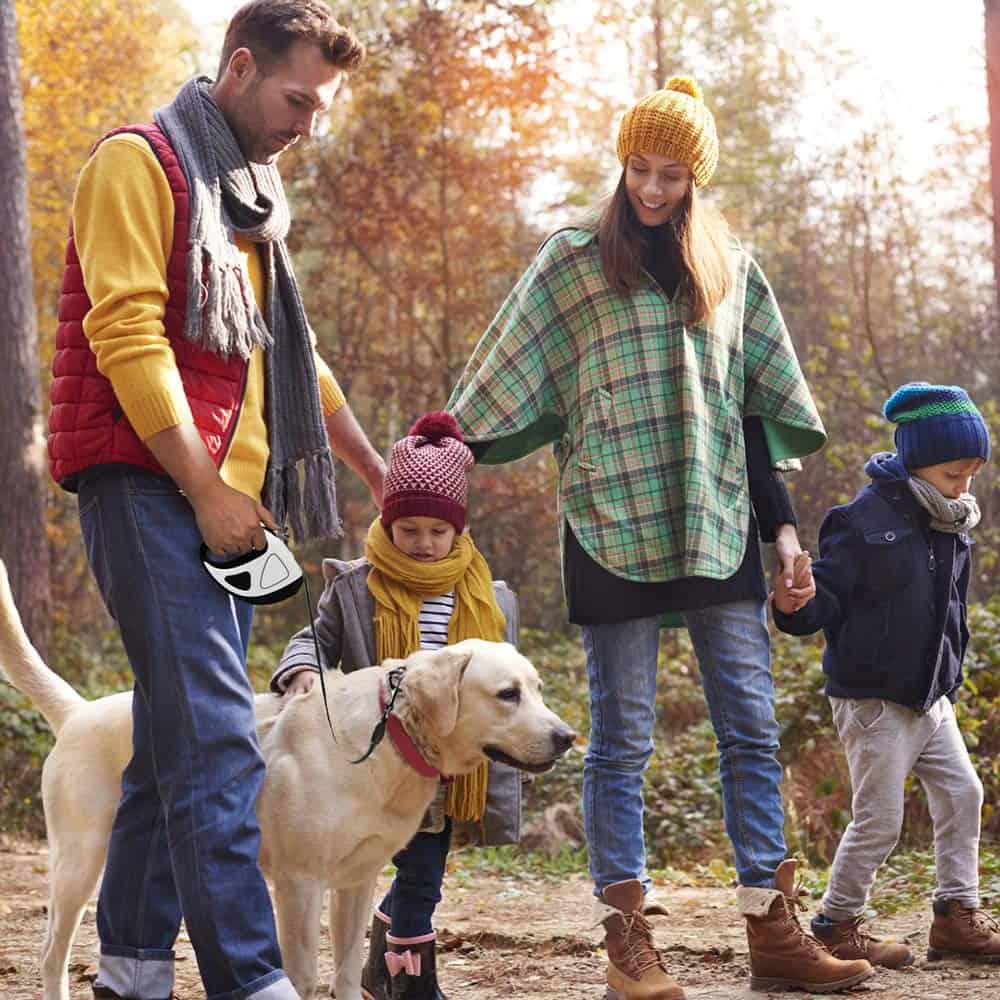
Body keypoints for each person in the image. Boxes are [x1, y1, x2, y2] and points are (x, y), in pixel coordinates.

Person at [446, 76, 874, 999]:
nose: (649, 187)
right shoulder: (571, 262)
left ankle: (771, 927)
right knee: (623, 740)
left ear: (696, 177)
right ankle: (627, 939)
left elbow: (752, 416)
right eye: (638, 168)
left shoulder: (731, 270)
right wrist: (432, 454)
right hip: (608, 523)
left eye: (670, 173)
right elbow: (497, 379)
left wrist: (786, 535)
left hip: (715, 517)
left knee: (750, 731)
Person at [46, 3, 386, 998]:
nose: (306, 125)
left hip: (225, 508)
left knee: (171, 743)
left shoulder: (245, 201)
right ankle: (252, 979)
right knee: (220, 739)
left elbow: (294, 354)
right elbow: (128, 336)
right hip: (150, 486)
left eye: (321, 109)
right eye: (297, 100)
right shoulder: (136, 163)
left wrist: (371, 467)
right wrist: (204, 488)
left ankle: (134, 971)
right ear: (239, 67)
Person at [271, 411, 521, 1000]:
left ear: (458, 532)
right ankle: (393, 969)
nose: (424, 544)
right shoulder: (356, 587)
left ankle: (402, 965)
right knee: (372, 864)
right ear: (389, 523)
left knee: (423, 874)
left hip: (446, 758)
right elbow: (313, 638)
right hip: (375, 763)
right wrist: (302, 669)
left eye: (438, 531)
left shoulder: (490, 599)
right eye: (409, 530)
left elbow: (506, 681)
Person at [772, 382, 1000, 968]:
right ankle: (836, 922)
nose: (964, 487)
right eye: (955, 473)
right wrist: (797, 605)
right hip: (874, 700)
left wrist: (951, 671)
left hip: (930, 696)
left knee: (963, 794)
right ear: (917, 460)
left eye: (972, 474)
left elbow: (947, 609)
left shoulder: (949, 523)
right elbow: (825, 598)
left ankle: (955, 916)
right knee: (881, 821)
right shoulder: (862, 521)